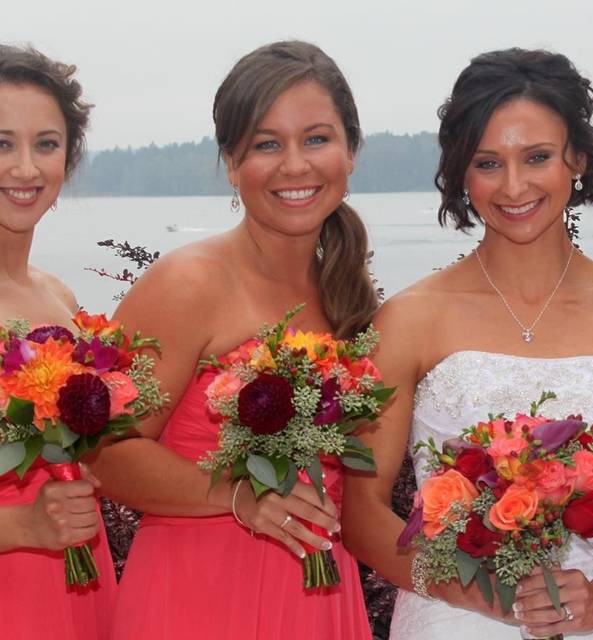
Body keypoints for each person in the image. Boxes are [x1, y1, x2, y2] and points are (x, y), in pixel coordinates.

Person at [342, 47, 593, 639]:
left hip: (592, 618)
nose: (515, 185)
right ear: (461, 172)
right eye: (488, 162)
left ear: (576, 157)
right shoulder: (408, 319)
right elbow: (362, 512)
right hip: (450, 619)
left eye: (538, 157)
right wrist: (477, 594)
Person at [91, 41, 377, 639]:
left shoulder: (348, 296)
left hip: (319, 597)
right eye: (266, 145)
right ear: (230, 161)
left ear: (352, 151)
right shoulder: (187, 283)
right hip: (199, 596)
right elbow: (106, 452)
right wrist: (239, 495)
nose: (295, 165)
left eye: (317, 139)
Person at [0, 45, 116, 639]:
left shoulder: (60, 302)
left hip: (78, 576)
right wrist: (21, 528)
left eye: (45, 144)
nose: (25, 168)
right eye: (2, 143)